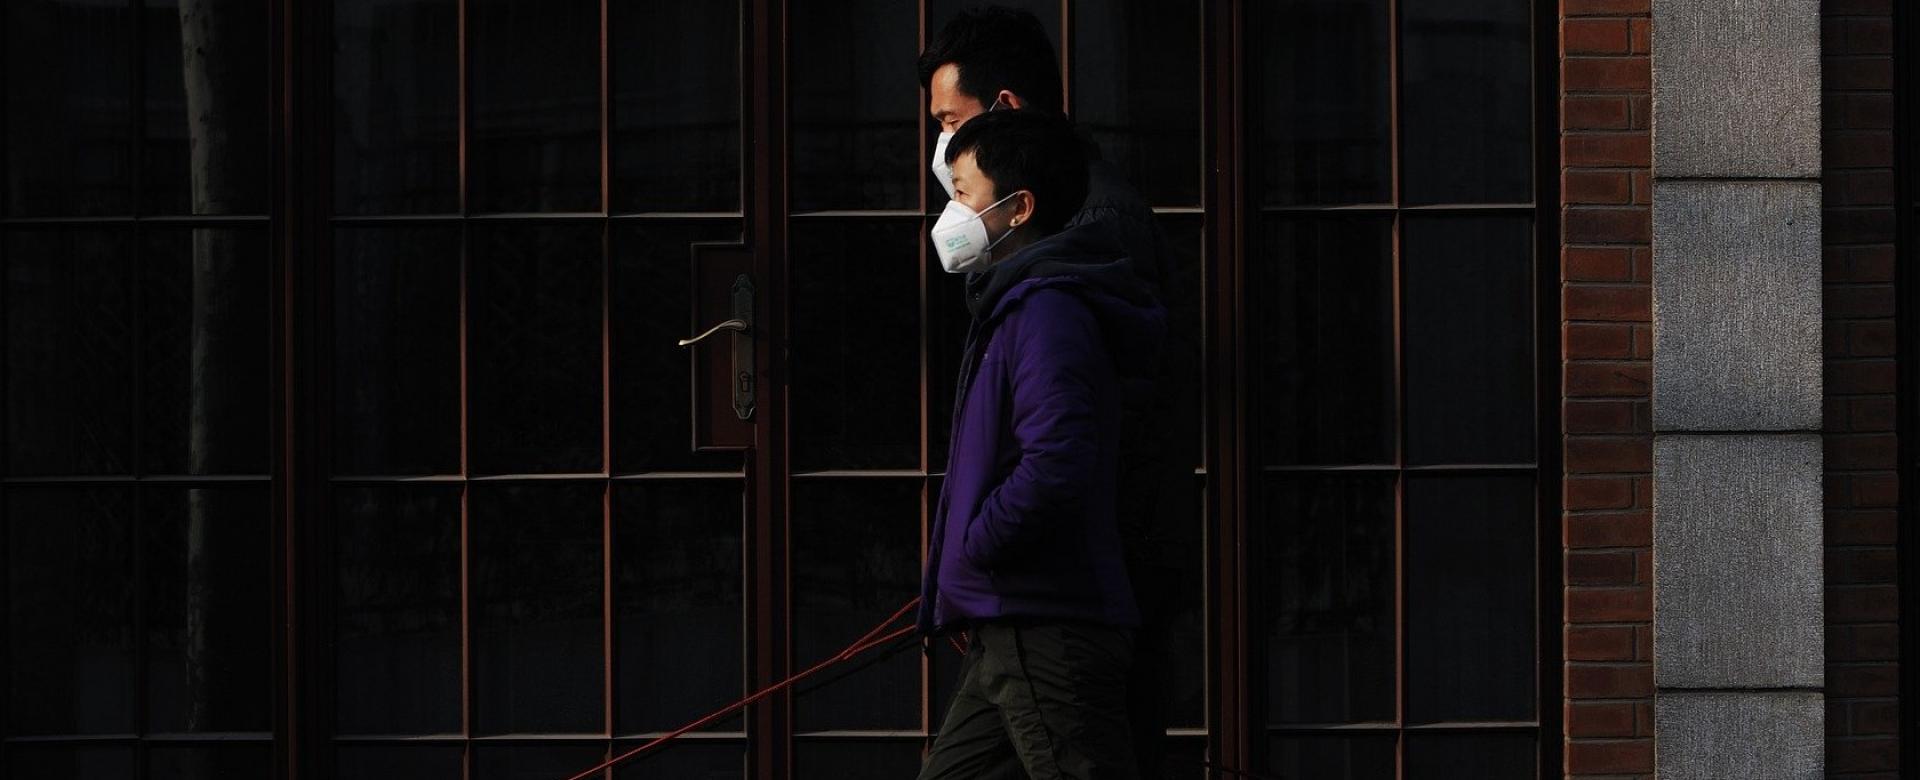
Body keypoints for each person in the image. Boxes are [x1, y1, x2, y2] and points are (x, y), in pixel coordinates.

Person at [917, 7, 1194, 777]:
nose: (945, 169)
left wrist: (977, 550)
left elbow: (1066, 452)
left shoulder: (1060, 284)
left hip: (1050, 601)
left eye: (951, 126)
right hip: (1029, 599)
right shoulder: (1028, 281)